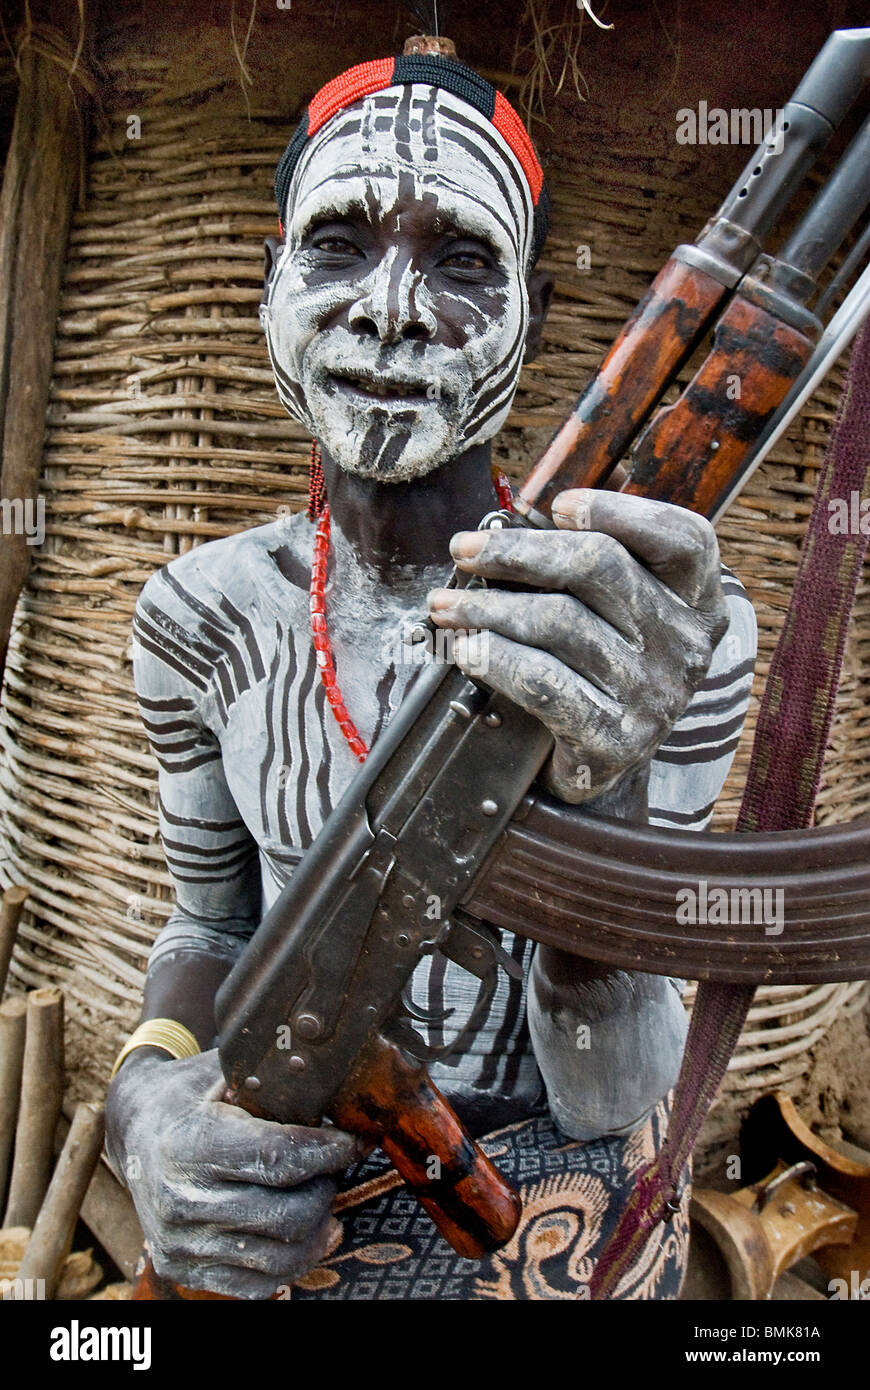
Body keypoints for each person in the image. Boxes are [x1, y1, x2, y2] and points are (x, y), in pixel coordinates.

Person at [105, 50, 757, 1301]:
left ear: (538, 315)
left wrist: (605, 796)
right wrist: (144, 1109)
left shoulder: (668, 631)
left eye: (462, 261)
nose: (391, 307)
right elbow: (208, 928)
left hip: (579, 1246)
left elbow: (619, 1084)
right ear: (270, 283)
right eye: (338, 244)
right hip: (297, 1242)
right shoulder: (199, 615)